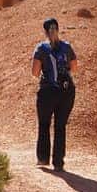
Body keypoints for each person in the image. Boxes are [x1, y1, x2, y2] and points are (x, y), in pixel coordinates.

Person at [32, 17, 78, 171]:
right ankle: (58, 162)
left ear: (45, 32)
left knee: (44, 124)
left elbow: (35, 72)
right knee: (60, 126)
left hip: (47, 92)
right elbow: (74, 68)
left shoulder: (41, 48)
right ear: (58, 29)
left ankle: (43, 158)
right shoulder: (67, 47)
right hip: (67, 91)